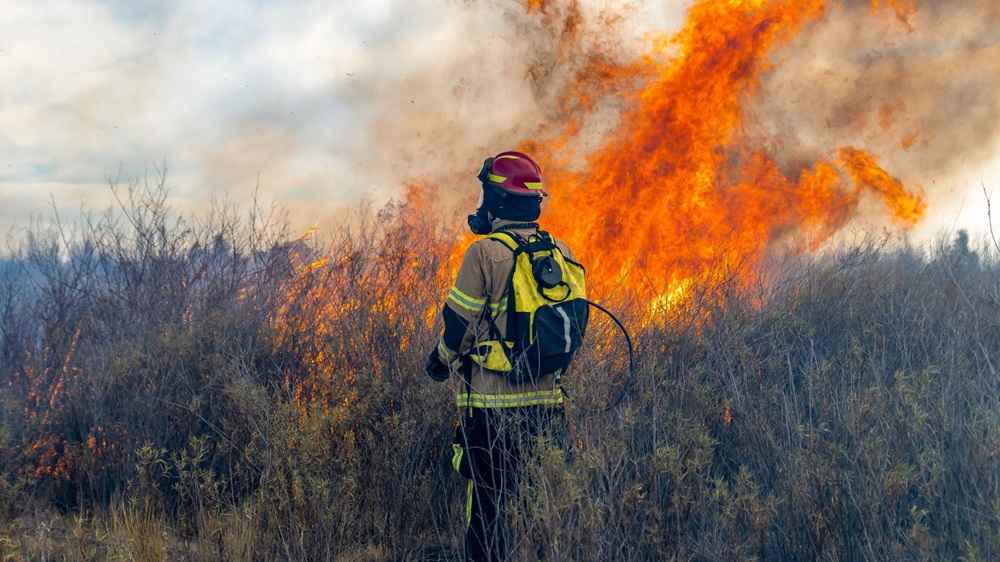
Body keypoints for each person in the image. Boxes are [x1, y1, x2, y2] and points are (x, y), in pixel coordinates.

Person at [425, 151, 588, 562]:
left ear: (497, 201)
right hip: (548, 405)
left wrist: (439, 362)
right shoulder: (561, 252)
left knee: (488, 506)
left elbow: (458, 329)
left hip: (492, 409)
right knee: (541, 505)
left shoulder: (485, 254)